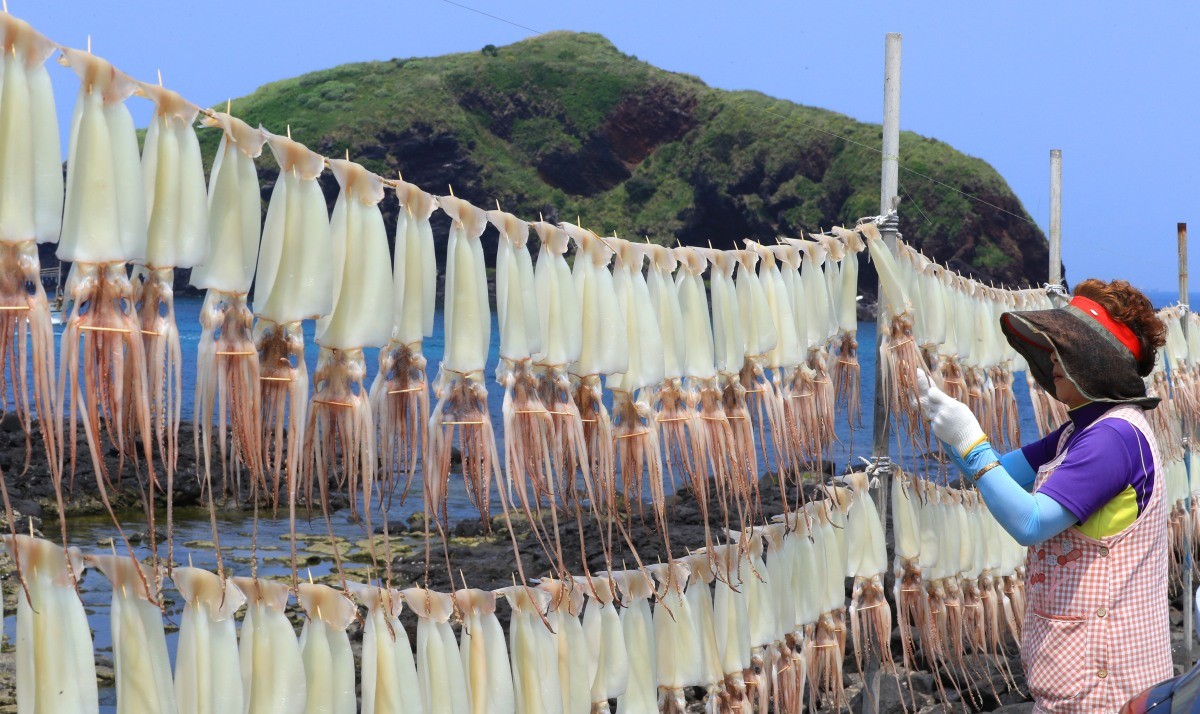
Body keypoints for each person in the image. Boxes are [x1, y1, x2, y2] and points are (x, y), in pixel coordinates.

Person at [916, 278, 1172, 713]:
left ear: (1097, 360)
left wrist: (970, 442)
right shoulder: (1081, 430)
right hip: (1081, 680)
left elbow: (1029, 522)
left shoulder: (1111, 438)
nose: (1052, 357)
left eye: (1064, 348)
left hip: (1106, 691)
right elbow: (1002, 473)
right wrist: (951, 428)